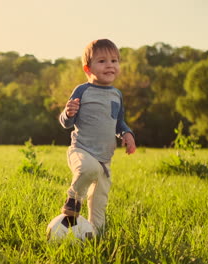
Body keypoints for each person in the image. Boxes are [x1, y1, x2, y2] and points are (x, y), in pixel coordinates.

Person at [58, 39, 136, 234]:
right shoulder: (82, 90)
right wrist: (68, 113)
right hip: (81, 150)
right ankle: (73, 199)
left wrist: (127, 134)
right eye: (102, 61)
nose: (110, 65)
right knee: (88, 168)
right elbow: (66, 123)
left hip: (105, 161)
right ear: (88, 68)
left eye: (114, 60)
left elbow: (118, 122)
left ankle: (95, 235)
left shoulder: (116, 94)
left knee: (99, 201)